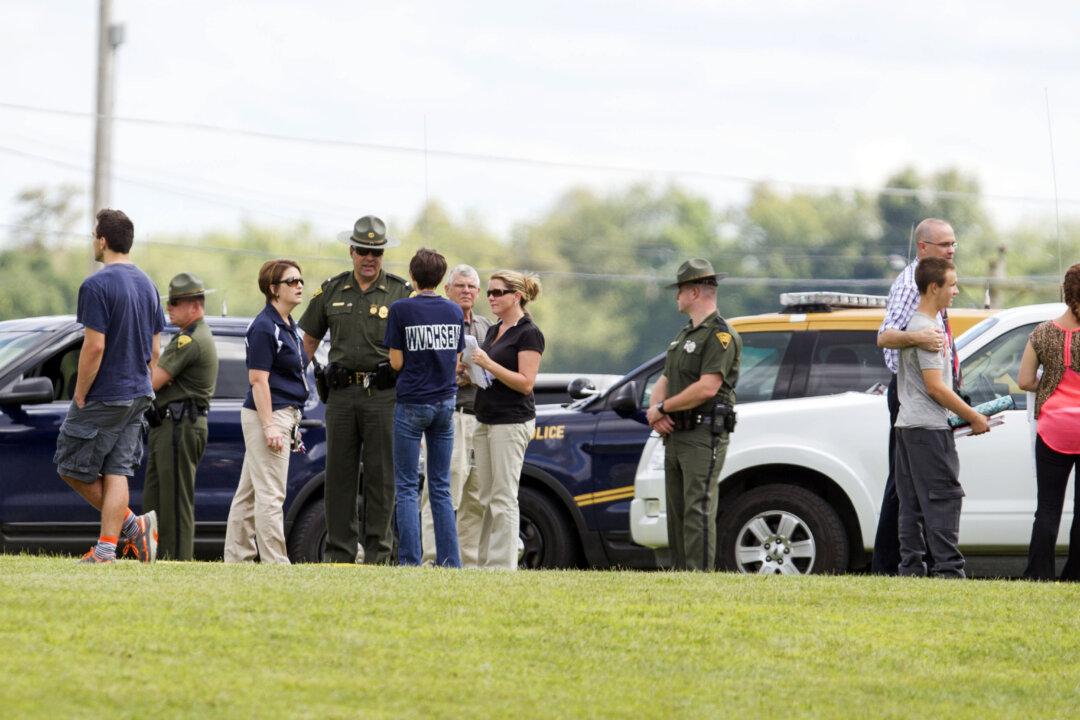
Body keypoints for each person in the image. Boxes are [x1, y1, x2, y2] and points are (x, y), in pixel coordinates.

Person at [53, 208, 162, 564]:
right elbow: (155, 350)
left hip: (106, 394)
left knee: (70, 466)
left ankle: (131, 526)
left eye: (93, 236)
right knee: (117, 470)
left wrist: (80, 391)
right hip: (139, 392)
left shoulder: (96, 285)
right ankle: (106, 551)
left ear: (102, 241)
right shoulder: (148, 284)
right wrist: (144, 384)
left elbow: (95, 346)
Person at [300, 216, 411, 564]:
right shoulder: (331, 290)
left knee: (381, 477)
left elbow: (413, 347)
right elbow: (308, 343)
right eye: (363, 251)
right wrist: (291, 388)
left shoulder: (400, 292)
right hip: (341, 394)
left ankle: (379, 554)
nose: (369, 258)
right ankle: (340, 552)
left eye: (376, 252)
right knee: (339, 476)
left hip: (383, 396)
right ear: (351, 251)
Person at [872, 218, 959, 575]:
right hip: (912, 392)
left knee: (909, 486)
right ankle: (890, 564)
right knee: (905, 486)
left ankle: (907, 564)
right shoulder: (911, 283)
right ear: (923, 247)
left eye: (953, 244)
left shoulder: (935, 280)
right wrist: (918, 338)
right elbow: (885, 336)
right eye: (944, 244)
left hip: (923, 391)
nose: (951, 250)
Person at [893, 257, 989, 579]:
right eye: (952, 285)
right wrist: (973, 416)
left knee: (911, 505)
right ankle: (949, 571)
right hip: (929, 429)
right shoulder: (928, 332)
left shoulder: (915, 327)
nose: (956, 291)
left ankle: (911, 570)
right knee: (944, 498)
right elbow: (935, 386)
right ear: (934, 287)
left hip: (908, 425)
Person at [645, 259, 741, 571]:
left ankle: (699, 576)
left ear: (695, 292)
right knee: (676, 511)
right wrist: (655, 412)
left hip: (703, 435)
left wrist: (663, 409)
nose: (677, 296)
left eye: (680, 290)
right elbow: (665, 380)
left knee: (697, 509)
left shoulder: (720, 335)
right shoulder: (685, 335)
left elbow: (707, 387)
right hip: (676, 433)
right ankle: (681, 574)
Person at [224, 259, 308, 564]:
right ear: (273, 289)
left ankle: (237, 559)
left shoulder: (288, 325)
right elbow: (258, 380)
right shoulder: (264, 327)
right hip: (269, 414)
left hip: (281, 413)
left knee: (248, 494)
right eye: (291, 281)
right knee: (272, 494)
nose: (299, 285)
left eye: (300, 280)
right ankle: (276, 563)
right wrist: (270, 425)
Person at [460, 270, 544, 570]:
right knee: (484, 496)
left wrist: (488, 363)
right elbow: (488, 374)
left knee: (503, 496)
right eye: (489, 292)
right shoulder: (495, 330)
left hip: (511, 421)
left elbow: (525, 382)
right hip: (485, 416)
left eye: (497, 292)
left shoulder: (529, 333)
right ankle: (484, 564)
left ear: (516, 296)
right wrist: (469, 372)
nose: (491, 297)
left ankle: (502, 566)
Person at [386, 249, 465, 567]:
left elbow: (396, 362)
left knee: (407, 486)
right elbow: (457, 361)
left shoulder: (401, 309)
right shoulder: (454, 311)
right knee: (441, 486)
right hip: (445, 403)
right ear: (442, 277)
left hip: (411, 402)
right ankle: (450, 560)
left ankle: (410, 560)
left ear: (412, 276)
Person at [419, 264, 492, 567]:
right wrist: (455, 372)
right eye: (460, 286)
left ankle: (467, 562)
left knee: (475, 495)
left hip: (481, 416)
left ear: (478, 292)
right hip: (449, 415)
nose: (466, 291)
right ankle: (433, 558)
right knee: (443, 489)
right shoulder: (434, 322)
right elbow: (423, 367)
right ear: (447, 289)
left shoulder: (486, 326)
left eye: (471, 286)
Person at [143, 272, 218, 560]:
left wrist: (152, 346)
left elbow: (152, 381)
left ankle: (176, 561)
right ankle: (157, 557)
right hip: (170, 424)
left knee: (174, 503)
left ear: (195, 306)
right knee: (157, 500)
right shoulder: (188, 336)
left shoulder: (190, 340)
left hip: (180, 425)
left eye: (175, 303)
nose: (169, 308)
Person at [1018, 262, 1080, 581]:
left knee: (1048, 508)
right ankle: (1075, 574)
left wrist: (1051, 382)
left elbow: (1024, 380)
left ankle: (1038, 573)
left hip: (1053, 429)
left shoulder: (1042, 333)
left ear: (1065, 293)